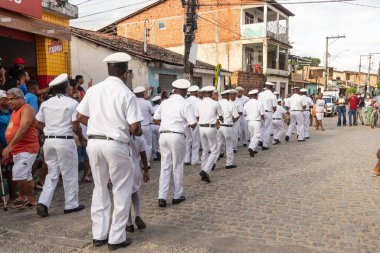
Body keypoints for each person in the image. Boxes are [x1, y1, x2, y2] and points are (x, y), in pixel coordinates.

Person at [77, 52, 143, 250]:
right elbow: (135, 127)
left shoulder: (93, 90)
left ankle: (99, 234)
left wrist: (98, 125)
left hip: (94, 143)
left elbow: (80, 116)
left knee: (99, 188)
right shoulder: (127, 93)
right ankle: (116, 238)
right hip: (116, 144)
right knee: (121, 190)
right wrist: (128, 129)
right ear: (125, 73)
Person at [35, 73, 86, 217]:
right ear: (65, 88)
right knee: (69, 172)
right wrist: (81, 138)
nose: (70, 88)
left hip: (49, 141)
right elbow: (76, 127)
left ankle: (43, 202)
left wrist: (47, 130)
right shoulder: (72, 103)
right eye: (69, 86)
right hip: (64, 140)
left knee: (52, 173)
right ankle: (71, 204)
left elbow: (36, 122)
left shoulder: (45, 103)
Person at [153, 79, 197, 207]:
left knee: (165, 166)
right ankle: (177, 195)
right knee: (177, 166)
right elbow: (193, 123)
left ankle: (162, 196)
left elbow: (155, 119)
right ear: (184, 91)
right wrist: (183, 126)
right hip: (177, 136)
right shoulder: (185, 103)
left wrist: (167, 125)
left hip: (163, 135)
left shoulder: (164, 102)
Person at [3, 88, 39, 209]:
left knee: (18, 172)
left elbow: (23, 129)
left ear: (21, 98)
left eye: (12, 99)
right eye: (8, 99)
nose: (9, 102)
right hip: (19, 149)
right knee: (26, 175)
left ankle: (21, 197)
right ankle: (32, 200)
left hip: (27, 148)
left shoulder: (27, 109)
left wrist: (9, 146)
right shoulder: (15, 111)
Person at [196, 86, 223, 183]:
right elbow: (221, 116)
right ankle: (205, 170)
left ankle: (203, 170)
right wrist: (220, 121)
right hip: (211, 127)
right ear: (212, 93)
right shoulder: (215, 103)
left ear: (203, 93)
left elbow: (197, 117)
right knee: (214, 151)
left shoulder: (198, 104)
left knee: (205, 150)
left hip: (201, 127)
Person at [125, 134, 149, 233]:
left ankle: (129, 224)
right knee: (135, 192)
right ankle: (138, 215)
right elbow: (143, 155)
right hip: (136, 168)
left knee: (125, 196)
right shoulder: (139, 137)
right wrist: (146, 170)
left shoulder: (121, 136)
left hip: (123, 167)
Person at [71, 90, 91, 183]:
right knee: (74, 160)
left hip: (86, 137)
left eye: (77, 97)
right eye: (74, 97)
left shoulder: (86, 108)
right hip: (75, 138)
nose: (76, 99)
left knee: (87, 159)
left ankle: (85, 176)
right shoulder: (71, 107)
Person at [133, 86, 155, 168]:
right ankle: (147, 163)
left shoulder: (133, 102)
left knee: (136, 145)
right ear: (143, 93)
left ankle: (138, 161)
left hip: (135, 126)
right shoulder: (147, 103)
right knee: (148, 145)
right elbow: (153, 113)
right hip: (145, 126)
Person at [218, 90, 239, 168]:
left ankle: (213, 162)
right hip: (227, 126)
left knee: (218, 144)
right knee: (229, 145)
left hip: (218, 126)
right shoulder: (230, 104)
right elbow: (236, 116)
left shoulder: (218, 103)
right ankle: (229, 163)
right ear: (228, 96)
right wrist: (232, 122)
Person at [244, 89, 264, 157]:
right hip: (256, 121)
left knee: (252, 135)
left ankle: (253, 148)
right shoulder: (259, 103)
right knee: (257, 135)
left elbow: (244, 114)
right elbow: (262, 113)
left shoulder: (246, 104)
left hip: (249, 121)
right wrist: (264, 119)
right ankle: (251, 147)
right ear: (256, 95)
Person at [258, 82, 277, 150]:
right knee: (268, 128)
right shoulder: (273, 95)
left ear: (266, 86)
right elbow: (274, 107)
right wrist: (273, 111)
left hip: (260, 112)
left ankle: (260, 140)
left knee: (262, 127)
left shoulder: (260, 94)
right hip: (268, 112)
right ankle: (265, 145)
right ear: (272, 87)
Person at [185, 85, 201, 165]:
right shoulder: (199, 101)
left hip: (186, 122)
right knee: (195, 141)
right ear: (196, 92)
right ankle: (194, 159)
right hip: (195, 122)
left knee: (187, 141)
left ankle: (186, 159)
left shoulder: (185, 100)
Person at [150, 95, 161, 161]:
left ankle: (155, 156)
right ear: (159, 101)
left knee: (153, 142)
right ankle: (159, 152)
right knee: (160, 141)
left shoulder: (152, 108)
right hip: (159, 125)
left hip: (152, 125)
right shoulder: (161, 107)